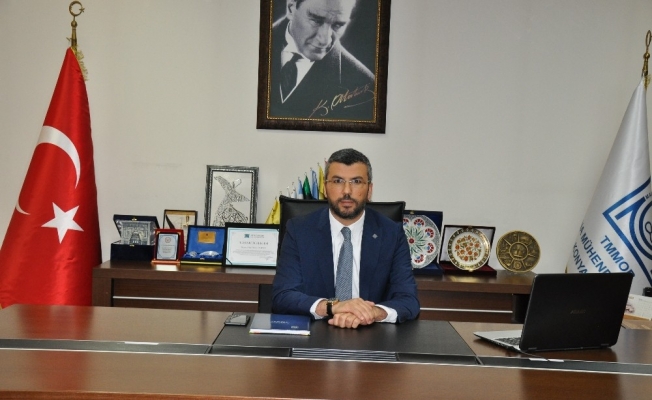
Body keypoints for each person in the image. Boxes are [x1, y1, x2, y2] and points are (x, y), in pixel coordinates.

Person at [272, 149, 420, 329]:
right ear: (325, 188)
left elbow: (408, 300)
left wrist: (373, 312)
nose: (347, 191)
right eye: (338, 181)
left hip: (371, 333)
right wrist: (333, 307)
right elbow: (283, 296)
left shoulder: (391, 233)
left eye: (356, 182)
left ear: (369, 190)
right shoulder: (299, 230)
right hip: (316, 331)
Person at [269, 0, 376, 120]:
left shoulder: (365, 86)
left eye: (338, 25)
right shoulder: (254, 46)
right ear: (291, 8)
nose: (325, 40)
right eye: (316, 20)